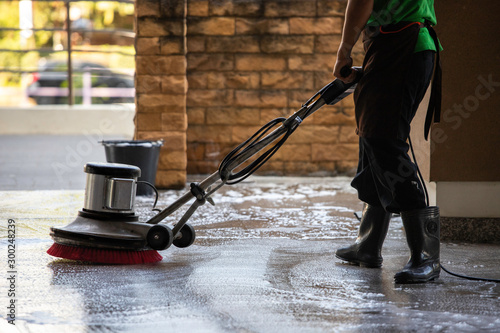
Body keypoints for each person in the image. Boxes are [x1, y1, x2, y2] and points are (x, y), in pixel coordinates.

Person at [333, 0, 442, 284]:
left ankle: (426, 255)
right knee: (372, 138)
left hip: (403, 45)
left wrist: (344, 50)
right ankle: (368, 244)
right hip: (393, 45)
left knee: (382, 141)